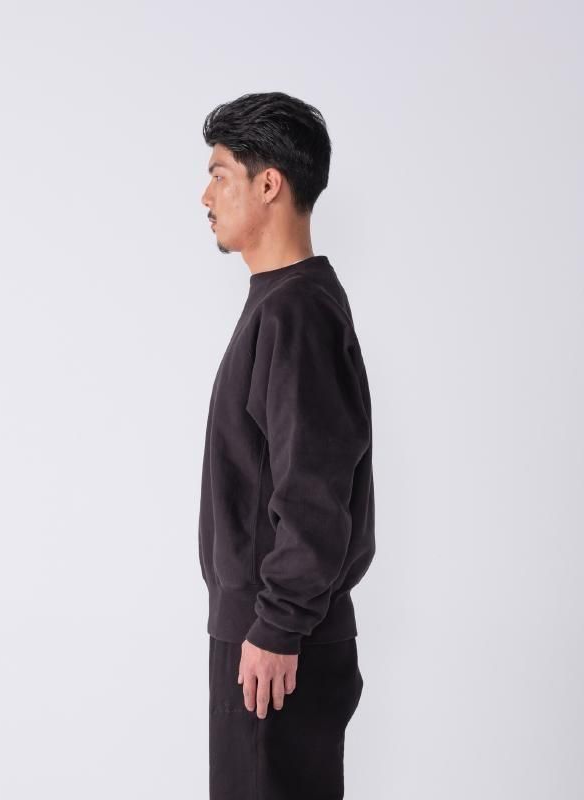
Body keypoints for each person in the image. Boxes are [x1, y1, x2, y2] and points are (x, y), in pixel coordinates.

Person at [198, 91, 376, 800]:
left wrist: (276, 626)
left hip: (276, 647)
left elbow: (313, 489)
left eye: (219, 175)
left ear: (269, 183)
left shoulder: (296, 311)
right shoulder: (282, 303)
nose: (205, 196)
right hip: (266, 638)